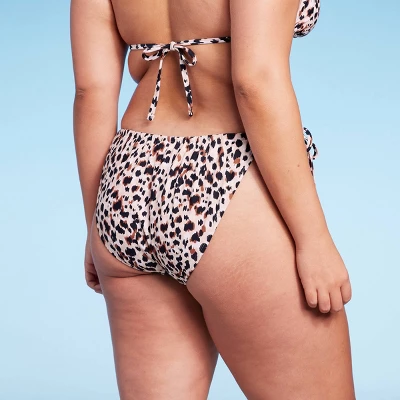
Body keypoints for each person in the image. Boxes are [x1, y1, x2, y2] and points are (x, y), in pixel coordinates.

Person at [70, 0, 356, 398]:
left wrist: (96, 225)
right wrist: (314, 239)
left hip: (126, 182)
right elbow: (254, 81)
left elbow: (91, 92)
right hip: (226, 174)